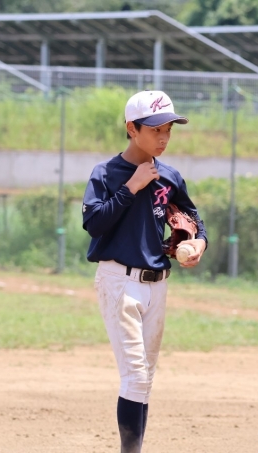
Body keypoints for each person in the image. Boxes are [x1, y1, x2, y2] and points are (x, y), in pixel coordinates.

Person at [82, 90, 208, 452]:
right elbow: (93, 223)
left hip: (157, 284)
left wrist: (198, 244)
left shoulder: (169, 177)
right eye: (155, 129)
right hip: (119, 281)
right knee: (135, 377)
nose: (164, 137)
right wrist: (131, 187)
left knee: (144, 380)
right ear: (132, 129)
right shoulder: (106, 173)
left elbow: (195, 221)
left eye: (168, 129)